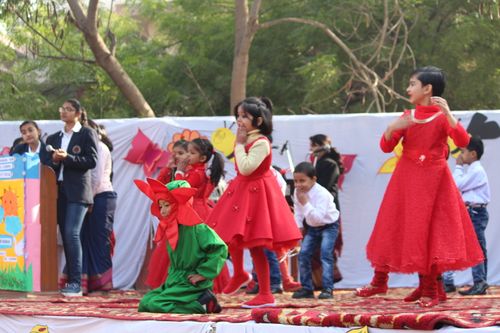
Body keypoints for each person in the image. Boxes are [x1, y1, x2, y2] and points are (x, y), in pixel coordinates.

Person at [355, 66, 484, 307]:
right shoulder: (407, 116)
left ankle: (430, 290)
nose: (408, 88)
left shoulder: (441, 118)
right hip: (406, 179)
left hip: (434, 182)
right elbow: (385, 147)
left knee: (428, 232)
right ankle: (380, 280)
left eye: (412, 84)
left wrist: (448, 114)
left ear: (427, 89)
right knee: (393, 224)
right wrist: (393, 128)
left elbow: (463, 141)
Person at [206, 96, 302, 308]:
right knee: (230, 234)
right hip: (243, 191)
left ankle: (266, 293)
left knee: (257, 245)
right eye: (238, 116)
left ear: (258, 121)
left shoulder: (261, 142)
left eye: (244, 116)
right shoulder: (247, 139)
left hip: (257, 195)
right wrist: (240, 143)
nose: (239, 120)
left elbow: (247, 167)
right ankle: (240, 272)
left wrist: (239, 145)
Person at [135, 179, 227, 314]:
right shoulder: (172, 227)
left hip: (191, 282)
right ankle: (201, 301)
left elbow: (220, 248)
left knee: (156, 305)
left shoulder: (198, 228)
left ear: (180, 204)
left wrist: (203, 274)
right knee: (146, 302)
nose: (163, 211)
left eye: (167, 205)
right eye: (161, 206)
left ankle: (201, 305)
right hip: (175, 280)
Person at [45, 99, 98, 297]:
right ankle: (70, 282)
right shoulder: (54, 137)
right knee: (65, 236)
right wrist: (54, 159)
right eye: (62, 108)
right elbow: (46, 163)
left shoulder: (86, 133)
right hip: (57, 191)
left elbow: (92, 161)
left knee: (72, 233)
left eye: (69, 109)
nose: (64, 112)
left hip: (78, 191)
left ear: (78, 113)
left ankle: (76, 283)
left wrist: (67, 157)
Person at [174, 137, 230, 293]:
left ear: (203, 158)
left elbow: (181, 190)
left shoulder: (198, 173)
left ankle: (194, 283)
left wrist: (179, 171)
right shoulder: (198, 171)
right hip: (199, 210)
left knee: (192, 248)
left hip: (195, 212)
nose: (187, 156)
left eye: (191, 153)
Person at [144, 139, 190, 289]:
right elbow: (156, 188)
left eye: (181, 153)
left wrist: (179, 172)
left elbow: (181, 193)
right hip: (172, 218)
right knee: (168, 249)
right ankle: (166, 284)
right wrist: (168, 169)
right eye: (174, 153)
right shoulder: (172, 171)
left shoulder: (192, 173)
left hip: (187, 217)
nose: (177, 156)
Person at [291, 162, 340, 299]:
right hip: (312, 227)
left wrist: (305, 202)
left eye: (302, 181)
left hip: (328, 226)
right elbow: (299, 213)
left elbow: (318, 217)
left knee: (325, 255)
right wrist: (298, 229)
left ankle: (327, 289)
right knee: (304, 254)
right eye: (295, 181)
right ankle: (307, 288)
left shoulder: (322, 194)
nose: (298, 185)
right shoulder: (298, 192)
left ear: (313, 179)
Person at [449, 136, 490, 296]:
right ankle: (481, 282)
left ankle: (480, 282)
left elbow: (456, 184)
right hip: (474, 212)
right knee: (479, 247)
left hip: (475, 213)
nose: (460, 155)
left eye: (463, 151)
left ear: (473, 154)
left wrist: (458, 167)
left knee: (477, 248)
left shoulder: (476, 171)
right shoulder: (474, 170)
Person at [80, 119, 117, 293]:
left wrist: (89, 200)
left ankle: (102, 286)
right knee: (86, 240)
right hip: (91, 197)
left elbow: (95, 177)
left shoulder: (100, 147)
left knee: (100, 241)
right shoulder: (88, 148)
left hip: (99, 196)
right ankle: (86, 284)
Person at [309, 134, 345, 285]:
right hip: (317, 209)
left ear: (320, 145)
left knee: (325, 248)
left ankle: (327, 281)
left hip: (328, 211)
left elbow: (324, 188)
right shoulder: (319, 162)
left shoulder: (330, 164)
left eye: (313, 145)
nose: (311, 149)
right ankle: (318, 282)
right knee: (315, 247)